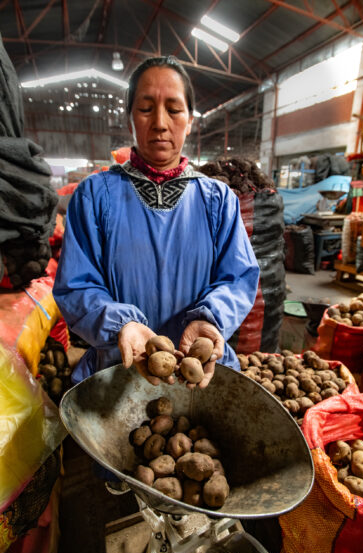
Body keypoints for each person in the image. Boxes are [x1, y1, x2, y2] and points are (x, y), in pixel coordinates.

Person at [53, 55, 260, 388]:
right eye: (146, 108)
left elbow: (238, 279)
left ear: (190, 120)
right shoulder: (95, 195)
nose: (161, 123)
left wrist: (211, 319)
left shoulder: (218, 200)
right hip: (117, 369)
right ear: (130, 118)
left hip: (199, 372)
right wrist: (120, 326)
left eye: (174, 109)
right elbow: (77, 286)